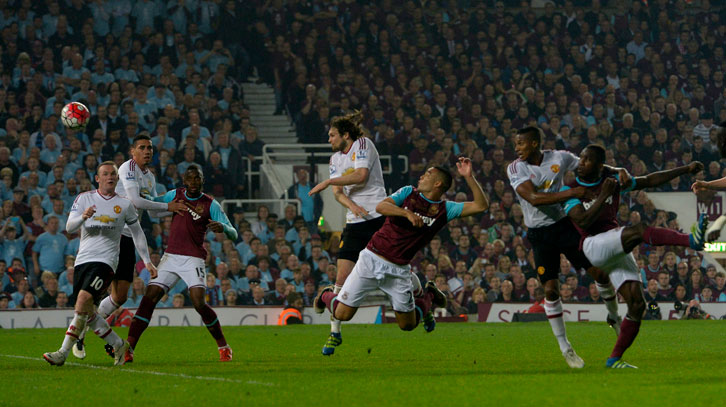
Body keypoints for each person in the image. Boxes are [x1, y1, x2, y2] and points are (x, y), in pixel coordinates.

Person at [562, 144, 707, 368]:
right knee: (640, 230)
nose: (580, 164)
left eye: (586, 160)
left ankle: (614, 360)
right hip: (593, 246)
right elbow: (582, 221)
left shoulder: (611, 180)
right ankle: (691, 241)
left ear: (599, 165)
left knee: (638, 305)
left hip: (616, 246)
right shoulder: (571, 189)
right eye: (580, 159)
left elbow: (649, 180)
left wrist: (684, 169)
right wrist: (603, 196)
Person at [314, 158, 488, 340]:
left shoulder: (445, 209)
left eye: (428, 174)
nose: (422, 176)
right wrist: (406, 213)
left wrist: (469, 177)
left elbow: (481, 206)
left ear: (437, 183)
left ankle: (428, 296)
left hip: (399, 269)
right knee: (343, 314)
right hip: (371, 258)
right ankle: (324, 295)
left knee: (408, 325)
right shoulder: (407, 193)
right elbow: (381, 206)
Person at [507, 126, 629, 368]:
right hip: (539, 235)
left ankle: (614, 317)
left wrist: (619, 170)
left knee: (599, 273)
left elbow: (591, 165)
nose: (516, 148)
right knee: (551, 291)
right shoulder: (516, 168)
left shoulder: (559, 158)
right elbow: (533, 198)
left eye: (520, 143)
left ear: (533, 144)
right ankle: (566, 347)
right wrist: (571, 193)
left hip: (565, 226)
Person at [73, 134, 186, 359]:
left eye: (150, 148)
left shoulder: (150, 177)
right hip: (110, 238)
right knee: (94, 296)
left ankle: (90, 330)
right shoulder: (128, 169)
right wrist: (168, 205)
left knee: (121, 296)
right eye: (142, 147)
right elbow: (134, 201)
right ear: (132, 151)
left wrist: (174, 209)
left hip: (128, 239)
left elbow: (152, 210)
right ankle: (80, 336)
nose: (147, 151)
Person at [43, 162, 156, 366]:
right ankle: (118, 344)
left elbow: (138, 233)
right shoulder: (84, 198)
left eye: (113, 174)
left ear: (117, 178)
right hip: (83, 260)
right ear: (98, 178)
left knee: (83, 300)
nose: (110, 177)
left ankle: (62, 353)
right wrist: (83, 217)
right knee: (87, 310)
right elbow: (69, 227)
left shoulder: (124, 204)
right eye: (105, 174)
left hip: (106, 262)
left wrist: (147, 261)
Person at [124, 165, 237, 363]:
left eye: (197, 178)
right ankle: (128, 349)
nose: (193, 182)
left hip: (193, 258)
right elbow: (154, 203)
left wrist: (224, 228)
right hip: (171, 257)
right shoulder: (175, 195)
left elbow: (233, 233)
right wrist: (135, 196)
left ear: (203, 181)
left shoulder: (211, 204)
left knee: (198, 302)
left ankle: (224, 347)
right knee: (149, 298)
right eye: (190, 178)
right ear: (184, 180)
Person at [308, 111, 387, 355]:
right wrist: (352, 207)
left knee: (396, 269)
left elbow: (361, 176)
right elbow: (339, 195)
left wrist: (329, 182)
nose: (329, 140)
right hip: (355, 222)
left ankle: (423, 301)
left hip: (379, 217)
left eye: (332, 135)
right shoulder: (334, 160)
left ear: (345, 135)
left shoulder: (363, 144)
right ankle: (335, 333)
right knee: (341, 279)